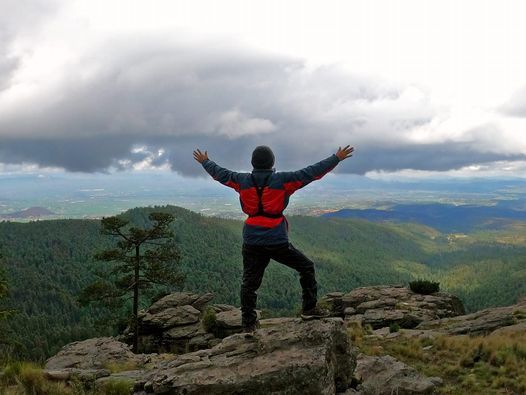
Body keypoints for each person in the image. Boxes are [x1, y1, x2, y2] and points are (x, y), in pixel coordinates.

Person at [193, 144, 354, 333]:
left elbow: (220, 173)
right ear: (272, 163)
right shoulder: (283, 180)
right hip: (276, 240)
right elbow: (312, 172)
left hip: (252, 240)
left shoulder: (242, 180)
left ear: (253, 163)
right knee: (306, 267)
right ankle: (309, 309)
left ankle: (248, 325)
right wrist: (336, 158)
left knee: (249, 284)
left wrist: (205, 161)